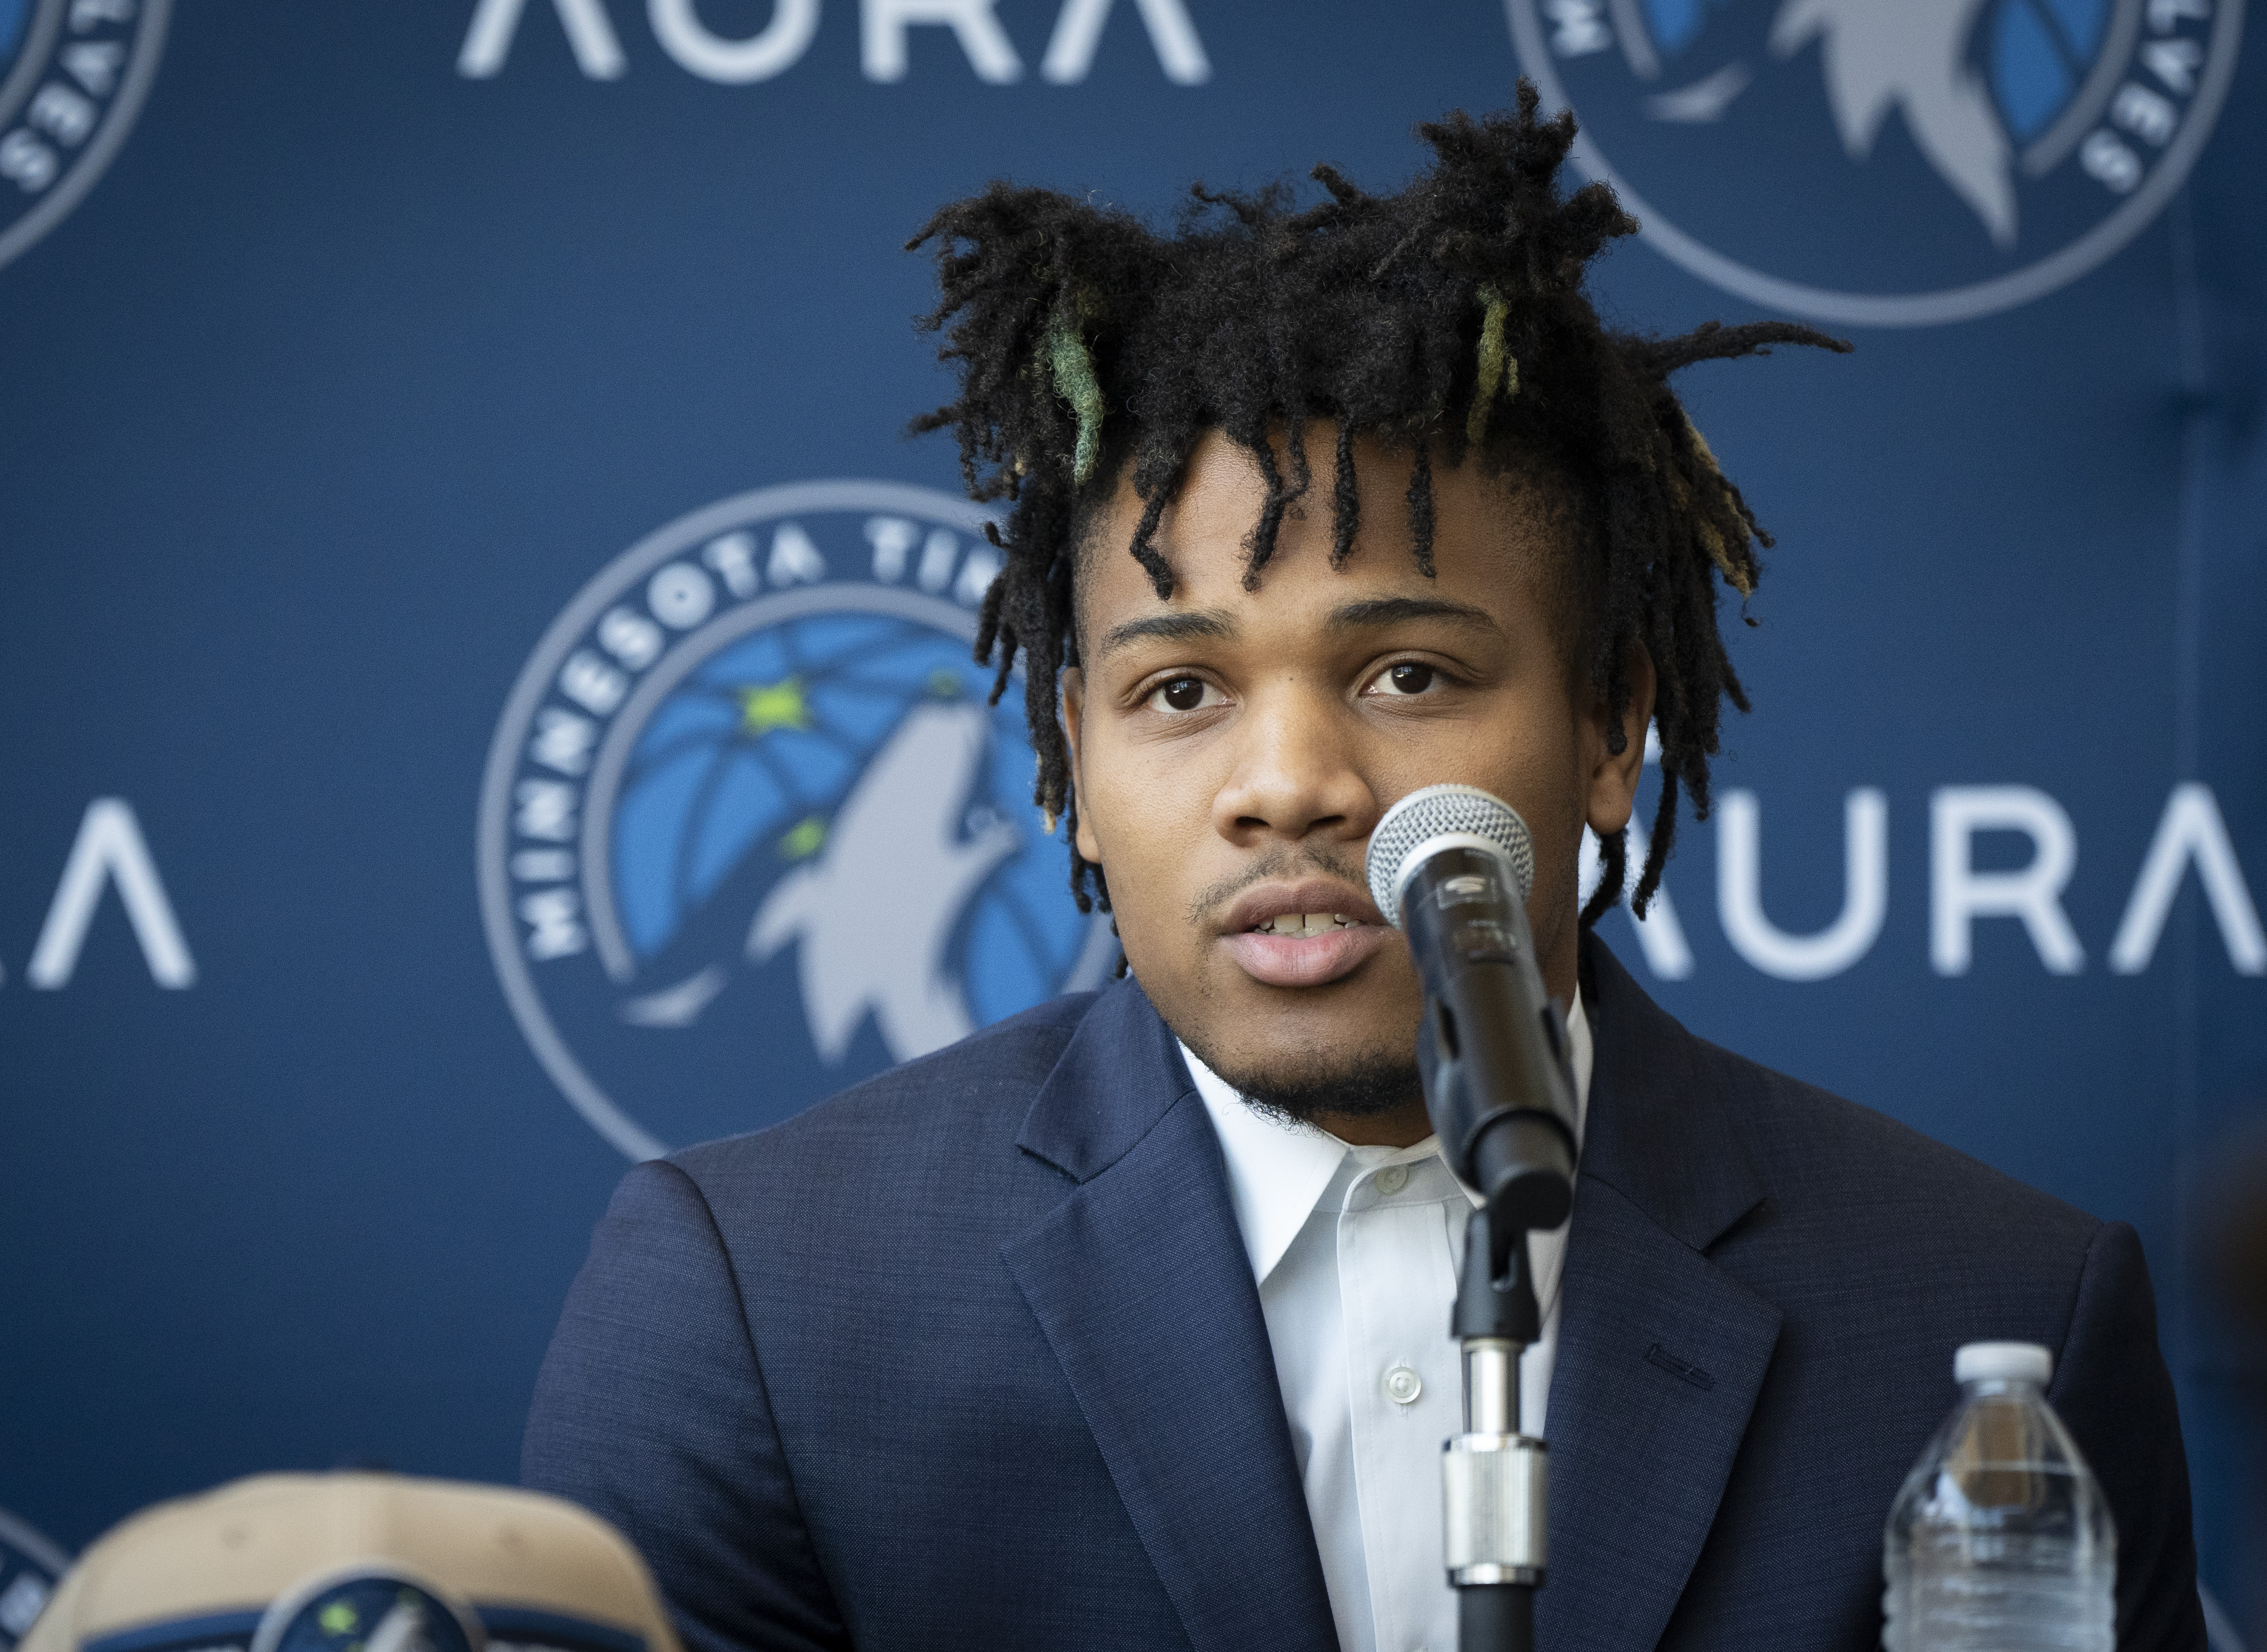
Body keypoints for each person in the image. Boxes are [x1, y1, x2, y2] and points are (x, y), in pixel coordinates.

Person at [523, 88, 2202, 1652]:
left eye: (1407, 674)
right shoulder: (754, 1302)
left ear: (1613, 722)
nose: (1291, 786)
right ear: (1074, 768)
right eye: (1180, 692)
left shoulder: (1995, 1321)